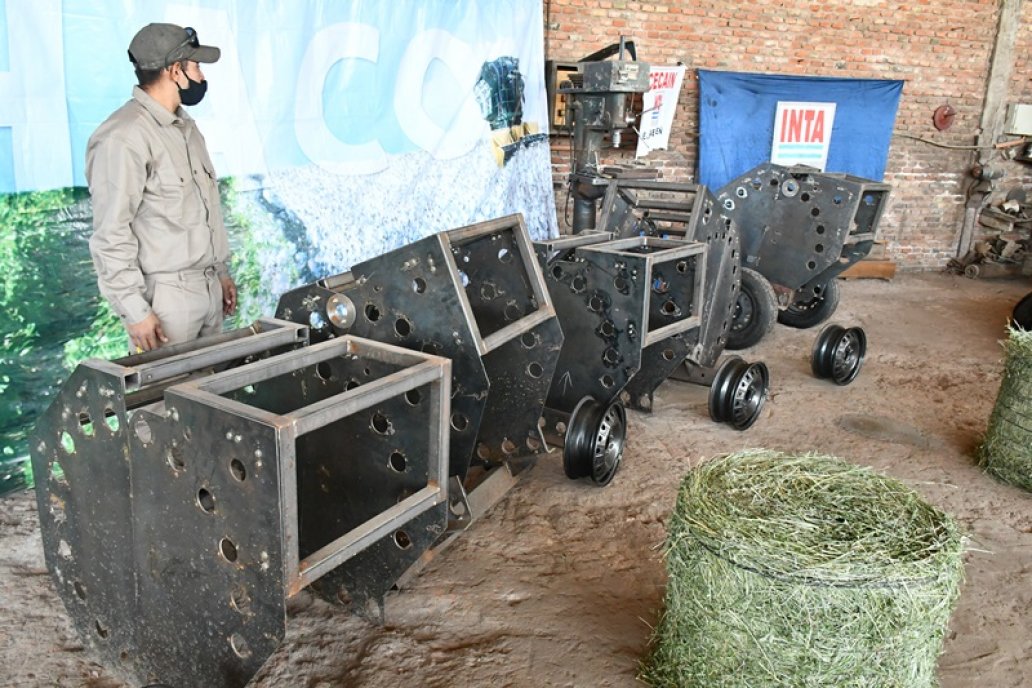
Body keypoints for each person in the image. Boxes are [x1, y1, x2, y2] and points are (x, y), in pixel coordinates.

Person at [86, 23, 236, 352]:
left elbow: (202, 212)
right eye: (195, 66)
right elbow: (111, 232)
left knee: (213, 398)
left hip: (208, 291)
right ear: (174, 70)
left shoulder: (186, 129)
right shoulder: (123, 137)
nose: (202, 77)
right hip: (168, 301)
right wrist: (134, 311)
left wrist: (220, 273)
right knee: (167, 400)